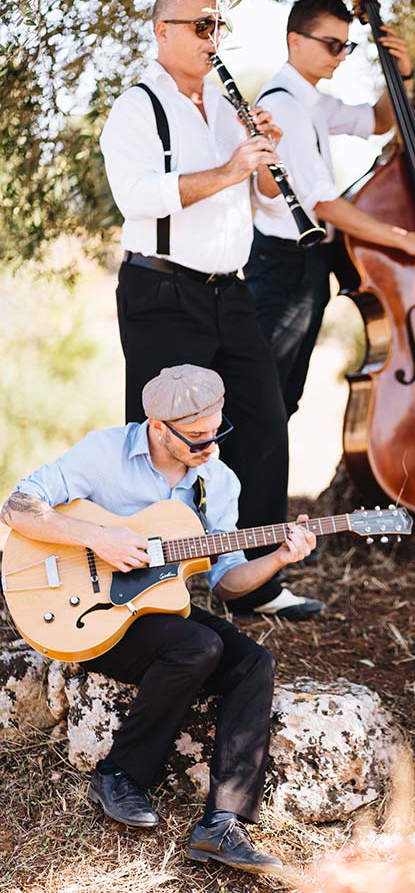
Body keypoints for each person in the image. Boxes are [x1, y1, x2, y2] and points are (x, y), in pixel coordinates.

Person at [0, 364, 316, 875]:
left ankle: (223, 824)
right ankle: (119, 774)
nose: (208, 447)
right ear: (156, 426)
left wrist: (279, 558)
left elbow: (227, 582)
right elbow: (17, 507)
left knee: (253, 661)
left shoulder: (218, 480)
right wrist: (96, 537)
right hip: (87, 615)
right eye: (194, 439)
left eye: (217, 432)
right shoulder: (104, 452)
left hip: (154, 613)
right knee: (198, 646)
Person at [100, 0, 323, 620]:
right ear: (162, 30)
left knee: (263, 422)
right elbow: (138, 197)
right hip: (164, 289)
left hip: (232, 290)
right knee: (158, 439)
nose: (210, 38)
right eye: (198, 26)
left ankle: (252, 583)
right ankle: (138, 585)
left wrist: (260, 164)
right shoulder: (138, 108)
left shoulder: (229, 107)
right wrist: (229, 169)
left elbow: (266, 203)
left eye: (216, 25)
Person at [245, 0, 415, 419]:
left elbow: (379, 121)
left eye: (346, 45)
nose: (341, 55)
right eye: (332, 44)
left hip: (303, 266)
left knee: (281, 399)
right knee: (266, 401)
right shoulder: (284, 108)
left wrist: (398, 75)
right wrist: (408, 240)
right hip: (282, 268)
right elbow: (322, 204)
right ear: (295, 41)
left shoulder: (312, 101)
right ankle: (246, 488)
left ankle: (259, 488)